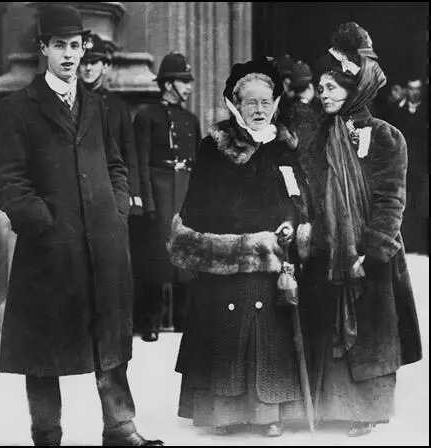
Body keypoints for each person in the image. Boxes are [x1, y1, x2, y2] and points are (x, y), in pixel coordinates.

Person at [0, 5, 163, 446]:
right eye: (59, 46)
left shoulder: (98, 107)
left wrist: (117, 207)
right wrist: (42, 222)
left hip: (103, 244)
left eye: (75, 46)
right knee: (42, 349)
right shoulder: (18, 108)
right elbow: (7, 181)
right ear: (43, 48)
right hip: (49, 249)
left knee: (111, 341)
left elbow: (116, 163)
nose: (69, 55)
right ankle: (46, 432)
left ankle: (120, 428)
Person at [167, 57, 312, 437]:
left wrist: (291, 223)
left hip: (273, 259)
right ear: (236, 104)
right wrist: (235, 236)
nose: (260, 110)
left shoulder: (284, 147)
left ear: (276, 104)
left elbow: (299, 198)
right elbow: (197, 206)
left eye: (266, 102)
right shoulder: (215, 147)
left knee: (269, 336)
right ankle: (224, 414)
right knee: (228, 332)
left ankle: (270, 415)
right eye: (251, 102)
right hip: (227, 260)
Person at [296, 22, 422, 437]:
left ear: (356, 89)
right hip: (326, 249)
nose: (325, 93)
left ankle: (365, 410)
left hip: (369, 255)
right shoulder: (313, 137)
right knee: (326, 325)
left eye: (333, 86)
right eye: (321, 86)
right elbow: (306, 192)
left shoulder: (386, 137)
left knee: (369, 333)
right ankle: (330, 404)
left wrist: (372, 251)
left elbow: (390, 200)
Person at [133, 51, 201, 342]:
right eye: (183, 81)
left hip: (185, 188)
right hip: (159, 190)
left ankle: (185, 321)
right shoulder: (147, 116)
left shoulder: (190, 119)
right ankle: (149, 321)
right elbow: (140, 160)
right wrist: (146, 202)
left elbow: (199, 162)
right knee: (156, 259)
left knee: (187, 254)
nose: (188, 87)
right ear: (169, 84)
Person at [79, 33, 142, 216]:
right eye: (84, 62)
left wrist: (134, 195)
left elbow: (129, 154)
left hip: (111, 188)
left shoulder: (118, 107)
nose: (88, 68)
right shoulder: (70, 103)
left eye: (95, 62)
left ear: (105, 66)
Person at [392, 76, 429, 254]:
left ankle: (422, 244)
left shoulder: (425, 111)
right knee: (405, 202)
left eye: (417, 89)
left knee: (422, 204)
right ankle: (407, 243)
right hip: (404, 165)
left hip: (422, 166)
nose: (414, 92)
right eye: (410, 88)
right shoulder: (400, 110)